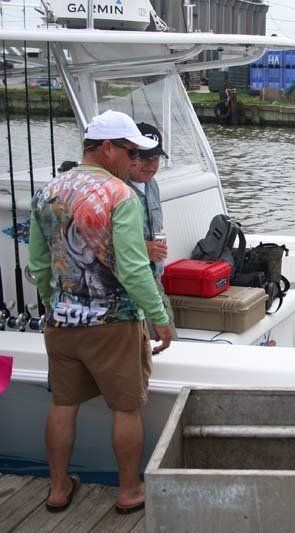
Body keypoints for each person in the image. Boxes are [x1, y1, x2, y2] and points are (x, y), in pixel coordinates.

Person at [27, 110, 173, 515]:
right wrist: (158, 315)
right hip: (114, 323)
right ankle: (129, 492)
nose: (134, 162)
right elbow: (131, 266)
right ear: (106, 148)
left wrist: (57, 302)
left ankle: (58, 490)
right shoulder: (120, 195)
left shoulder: (47, 192)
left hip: (60, 320)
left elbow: (39, 263)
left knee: (62, 404)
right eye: (129, 152)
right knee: (126, 407)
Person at [125, 122, 176, 339]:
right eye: (145, 158)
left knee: (171, 346)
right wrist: (143, 249)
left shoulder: (152, 184)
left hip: (155, 282)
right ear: (130, 156)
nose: (151, 165)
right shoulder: (114, 189)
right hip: (129, 290)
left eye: (156, 159)